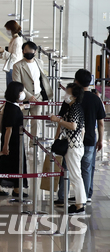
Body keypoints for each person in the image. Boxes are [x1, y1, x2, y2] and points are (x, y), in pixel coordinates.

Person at [55, 70, 105, 206]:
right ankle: (86, 196)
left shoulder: (72, 99)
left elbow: (62, 120)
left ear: (76, 81)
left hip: (72, 140)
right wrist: (100, 139)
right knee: (86, 169)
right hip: (89, 139)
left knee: (67, 168)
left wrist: (56, 138)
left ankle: (62, 196)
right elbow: (101, 122)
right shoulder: (96, 99)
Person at [50, 83, 86, 214]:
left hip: (73, 147)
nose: (66, 95)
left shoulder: (75, 108)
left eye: (68, 92)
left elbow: (73, 126)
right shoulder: (73, 107)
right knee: (76, 175)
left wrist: (57, 120)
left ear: (74, 96)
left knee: (76, 176)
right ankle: (79, 203)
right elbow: (81, 129)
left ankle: (79, 205)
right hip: (75, 146)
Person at [0, 82, 27, 197]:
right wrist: (5, 146)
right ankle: (15, 189)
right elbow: (8, 129)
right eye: (21, 91)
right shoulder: (12, 109)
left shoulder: (11, 105)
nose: (23, 94)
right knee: (15, 163)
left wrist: (21, 107)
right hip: (13, 141)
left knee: (7, 163)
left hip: (14, 140)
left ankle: (2, 187)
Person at [12, 41, 53, 138]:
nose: (29, 52)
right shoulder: (18, 66)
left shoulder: (39, 62)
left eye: (31, 50)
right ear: (23, 51)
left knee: (36, 122)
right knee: (22, 121)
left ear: (35, 52)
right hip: (24, 98)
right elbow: (18, 84)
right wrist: (29, 96)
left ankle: (33, 143)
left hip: (38, 97)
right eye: (26, 50)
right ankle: (19, 141)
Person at [0, 20, 23, 85]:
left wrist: (3, 51)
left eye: (7, 29)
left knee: (11, 86)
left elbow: (15, 57)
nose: (7, 31)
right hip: (10, 66)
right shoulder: (13, 39)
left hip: (13, 67)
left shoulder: (17, 41)